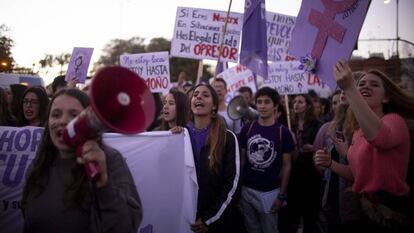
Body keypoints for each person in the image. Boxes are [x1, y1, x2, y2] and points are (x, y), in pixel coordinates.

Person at [21, 88, 142, 232]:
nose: (63, 121)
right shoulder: (39, 164)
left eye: (74, 115)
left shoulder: (109, 161)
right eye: (56, 114)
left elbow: (126, 227)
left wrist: (104, 186)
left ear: (89, 122)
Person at [315, 60, 414, 232]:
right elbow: (356, 174)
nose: (366, 87)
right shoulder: (358, 131)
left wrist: (350, 87)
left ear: (386, 97)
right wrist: (331, 163)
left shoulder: (394, 121)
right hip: (361, 212)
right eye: (361, 84)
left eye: (374, 84)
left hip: (388, 213)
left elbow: (378, 137)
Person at [173, 83, 242, 233]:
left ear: (214, 107)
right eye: (196, 94)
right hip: (186, 218)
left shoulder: (228, 138)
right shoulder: (181, 137)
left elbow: (232, 184)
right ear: (190, 104)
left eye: (205, 95)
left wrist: (209, 219)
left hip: (217, 222)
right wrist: (170, 142)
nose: (198, 97)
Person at [238, 87, 294, 233]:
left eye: (267, 102)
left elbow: (287, 166)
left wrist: (281, 195)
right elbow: (242, 161)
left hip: (270, 193)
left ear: (275, 106)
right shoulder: (247, 129)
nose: (262, 106)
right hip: (247, 191)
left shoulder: (284, 132)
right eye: (259, 102)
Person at [283, 94, 323, 233]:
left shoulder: (317, 125)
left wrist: (313, 148)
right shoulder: (289, 124)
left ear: (308, 105)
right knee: (292, 213)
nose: (296, 104)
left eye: (300, 102)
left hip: (311, 174)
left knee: (310, 215)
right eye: (294, 102)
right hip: (293, 174)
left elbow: (323, 148)